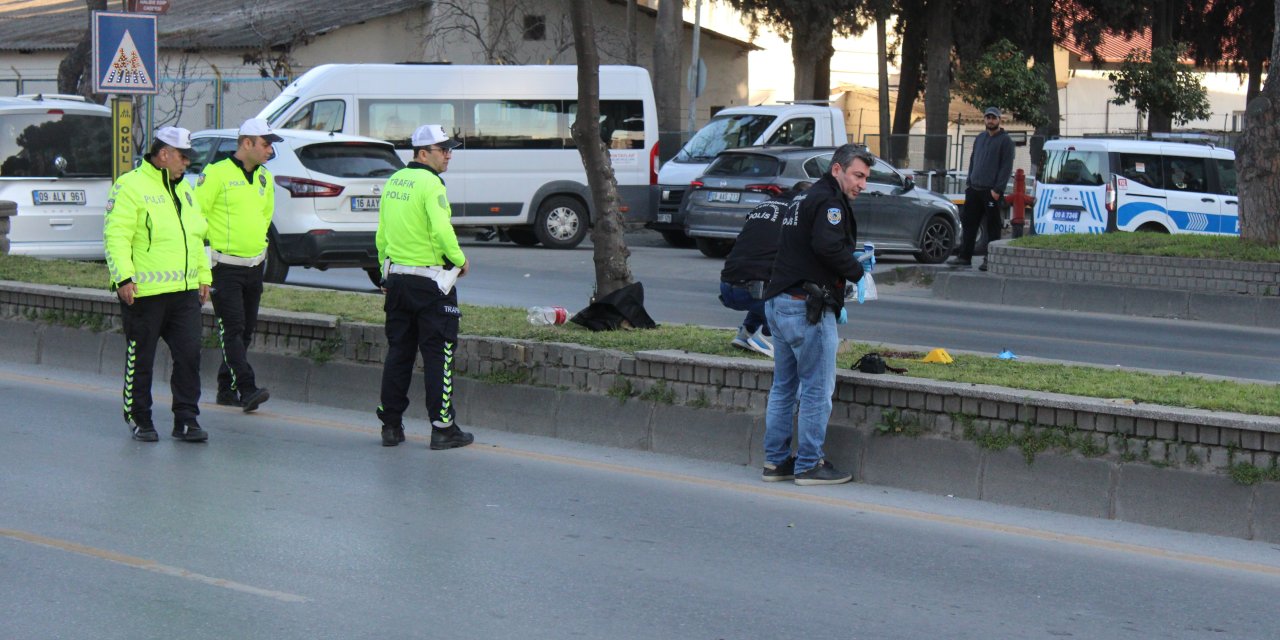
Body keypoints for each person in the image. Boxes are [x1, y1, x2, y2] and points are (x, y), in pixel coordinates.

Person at [759, 145, 871, 486]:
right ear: (837, 170)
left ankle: (776, 462)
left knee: (783, 387)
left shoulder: (804, 198)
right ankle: (809, 463)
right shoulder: (830, 203)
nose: (862, 185)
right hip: (806, 307)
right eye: (858, 175)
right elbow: (828, 246)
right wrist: (858, 274)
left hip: (779, 301)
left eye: (866, 178)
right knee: (816, 388)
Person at [103, 126, 212, 442]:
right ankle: (140, 418)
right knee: (142, 360)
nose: (187, 163)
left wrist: (204, 277)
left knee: (190, 356)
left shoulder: (185, 190)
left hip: (184, 292)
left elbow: (197, 235)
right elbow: (116, 235)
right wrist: (123, 277)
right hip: (144, 294)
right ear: (163, 154)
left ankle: (187, 420)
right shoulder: (131, 186)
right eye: (183, 156)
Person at [375, 124, 474, 450]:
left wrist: (384, 274)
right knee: (439, 354)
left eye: (449, 149)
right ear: (422, 153)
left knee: (399, 353)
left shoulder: (394, 182)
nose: (448, 155)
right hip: (432, 285)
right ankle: (443, 428)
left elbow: (382, 235)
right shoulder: (432, 185)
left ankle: (391, 425)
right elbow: (442, 230)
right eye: (442, 149)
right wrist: (459, 260)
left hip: (399, 281)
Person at [195, 117, 282, 413]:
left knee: (245, 331)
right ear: (247, 143)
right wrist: (202, 266)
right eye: (266, 144)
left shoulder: (264, 177)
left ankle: (225, 388)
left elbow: (265, 216)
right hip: (225, 267)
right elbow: (197, 218)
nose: (270, 151)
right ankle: (246, 388)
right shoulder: (216, 174)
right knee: (231, 328)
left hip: (254, 266)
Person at [718, 181, 812, 358]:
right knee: (792, 296)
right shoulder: (797, 213)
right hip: (753, 290)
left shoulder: (765, 205)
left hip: (727, 285)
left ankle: (747, 332)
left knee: (766, 278)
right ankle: (767, 337)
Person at [950, 106, 1015, 271]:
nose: (990, 120)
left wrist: (997, 190)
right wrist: (969, 182)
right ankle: (964, 257)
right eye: (988, 117)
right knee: (969, 224)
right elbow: (973, 161)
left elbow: (1006, 167)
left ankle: (990, 259)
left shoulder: (1005, 141)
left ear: (999, 119)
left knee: (993, 227)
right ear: (984, 119)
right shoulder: (980, 138)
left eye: (993, 118)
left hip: (991, 191)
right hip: (974, 189)